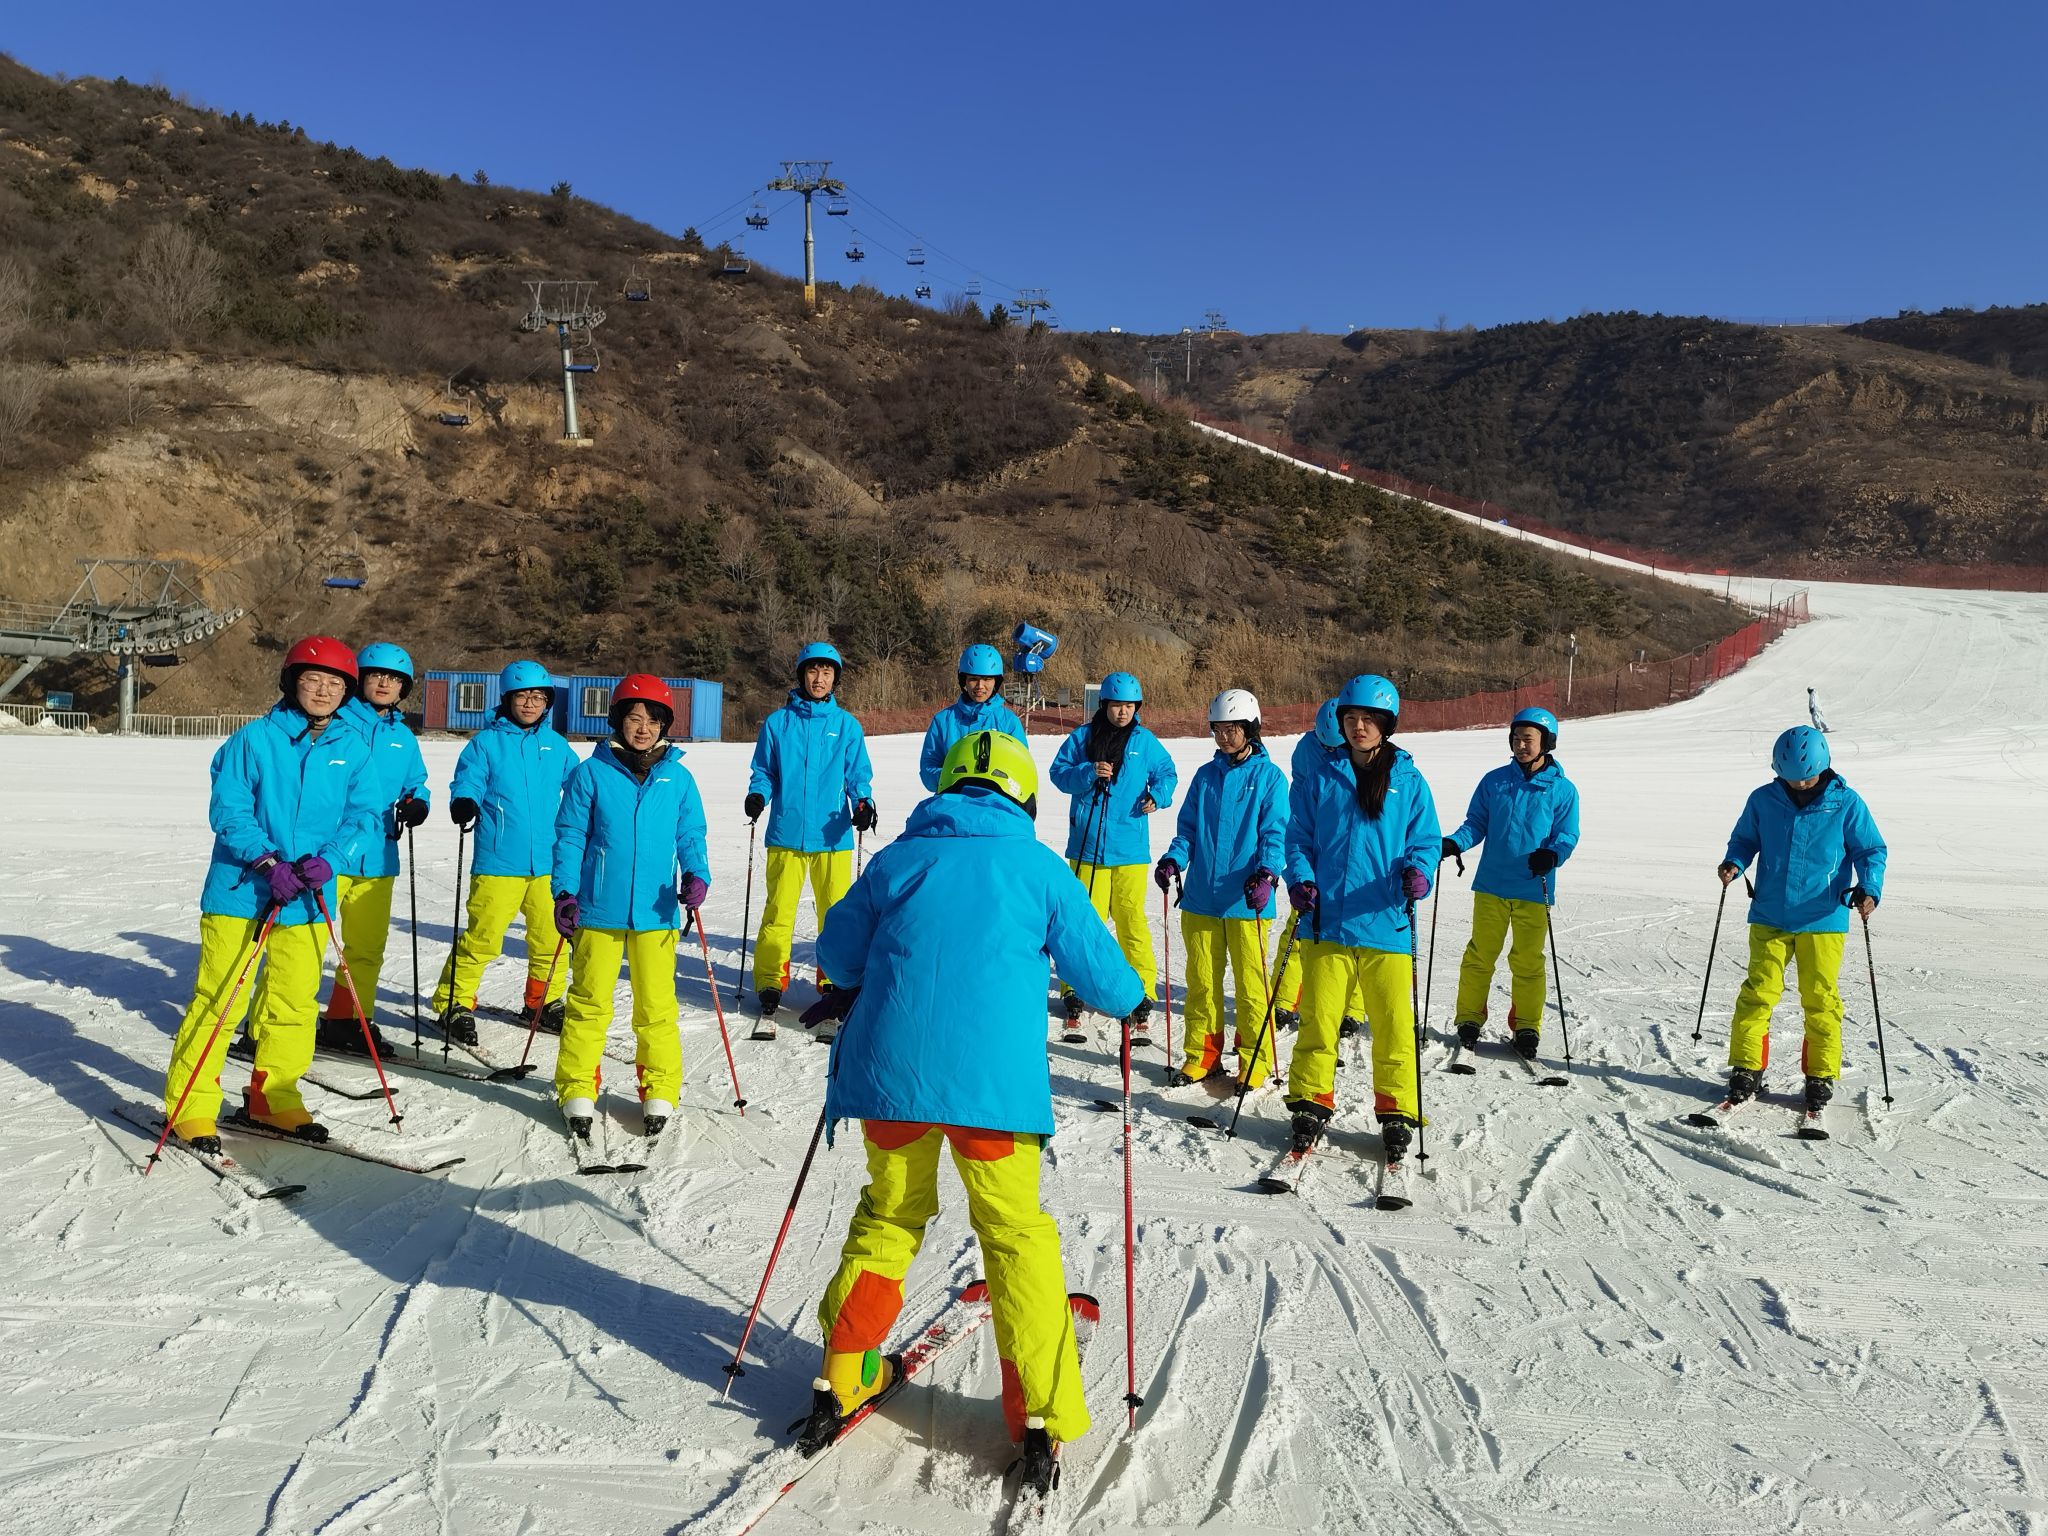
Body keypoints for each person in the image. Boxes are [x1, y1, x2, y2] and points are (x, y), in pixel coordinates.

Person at [796, 729, 1143, 1488]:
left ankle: (842, 1373)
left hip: (891, 1085)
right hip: (993, 1098)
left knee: (889, 1216)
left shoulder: (897, 860)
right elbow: (1109, 983)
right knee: (1015, 1237)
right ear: (1023, 795)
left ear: (948, 786)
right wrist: (1134, 1001)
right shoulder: (1038, 867)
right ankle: (1039, 1413)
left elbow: (839, 956)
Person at [161, 637, 382, 1150]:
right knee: (220, 1001)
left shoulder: (353, 748)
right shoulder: (253, 740)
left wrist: (333, 859)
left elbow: (366, 816)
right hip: (241, 893)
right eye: (313, 679)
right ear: (291, 682)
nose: (323, 690)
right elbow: (229, 811)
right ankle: (191, 1105)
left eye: (335, 683)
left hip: (308, 897)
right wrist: (266, 861)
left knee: (294, 1003)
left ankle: (274, 1096)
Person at [1281, 674, 1442, 1159]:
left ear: (1386, 724)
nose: (1359, 727)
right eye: (1351, 718)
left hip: (1385, 921)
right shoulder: (1321, 777)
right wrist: (1301, 879)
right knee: (1319, 1021)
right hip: (1327, 922)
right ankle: (1310, 1101)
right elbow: (1298, 838)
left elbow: (1425, 840)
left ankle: (1397, 1110)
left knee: (1393, 1025)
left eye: (1369, 719)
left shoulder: (1408, 781)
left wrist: (1419, 871)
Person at [550, 675, 709, 1138]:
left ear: (665, 726)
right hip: (598, 909)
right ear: (618, 720)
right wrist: (565, 892)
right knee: (588, 1004)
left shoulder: (678, 779)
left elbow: (690, 835)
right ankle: (577, 1088)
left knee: (657, 1007)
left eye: (653, 720)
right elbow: (570, 836)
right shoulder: (590, 774)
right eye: (635, 718)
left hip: (656, 912)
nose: (643, 728)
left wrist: (697, 874)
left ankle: (660, 1088)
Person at [1714, 725, 1886, 1111]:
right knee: (1757, 993)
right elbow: (1744, 840)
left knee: (1821, 998)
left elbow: (1870, 850)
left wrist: (1869, 888)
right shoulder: (1763, 799)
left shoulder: (1846, 803)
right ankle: (1747, 1067)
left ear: (1823, 766)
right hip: (1769, 914)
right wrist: (1734, 862)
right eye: (1792, 778)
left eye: (1806, 777)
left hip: (1823, 918)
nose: (1800, 785)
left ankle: (1820, 1075)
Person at [435, 661, 577, 1043]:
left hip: (549, 862)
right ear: (507, 699)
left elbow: (579, 788)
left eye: (538, 697)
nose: (530, 703)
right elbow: (468, 779)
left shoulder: (557, 746)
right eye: (522, 696)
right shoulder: (486, 743)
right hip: (498, 860)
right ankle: (454, 1002)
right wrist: (465, 800)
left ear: (547, 702)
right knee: (483, 938)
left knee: (550, 939)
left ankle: (543, 1002)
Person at [1154, 689, 1288, 1091]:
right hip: (1201, 898)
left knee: (1250, 987)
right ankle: (1202, 1056)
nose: (1224, 737)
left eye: (1233, 729)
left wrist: (1267, 874)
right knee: (1201, 983)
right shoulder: (1205, 777)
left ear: (1251, 729)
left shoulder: (1269, 778)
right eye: (1218, 729)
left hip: (1246, 899)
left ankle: (1254, 1061)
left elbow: (1275, 834)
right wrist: (1174, 859)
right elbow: (1188, 831)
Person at [746, 642, 876, 1021]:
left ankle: (834, 981)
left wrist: (864, 804)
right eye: (813, 671)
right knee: (779, 911)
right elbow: (764, 771)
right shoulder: (777, 724)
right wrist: (758, 795)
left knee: (836, 915)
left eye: (827, 672)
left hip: (832, 836)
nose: (819, 679)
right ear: (801, 675)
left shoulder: (846, 726)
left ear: (835, 679)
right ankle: (770, 981)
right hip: (786, 833)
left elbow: (858, 776)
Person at [1443, 706, 1581, 1059]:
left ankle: (1526, 1026)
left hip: (1533, 888)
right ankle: (1469, 1020)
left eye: (1528, 739)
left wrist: (1553, 855)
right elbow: (1476, 823)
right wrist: (1456, 843)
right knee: (1480, 955)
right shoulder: (1495, 782)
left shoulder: (1562, 790)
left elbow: (1567, 835)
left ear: (1546, 742)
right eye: (1516, 738)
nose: (1521, 745)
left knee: (1528, 961)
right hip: (1491, 885)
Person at [316, 641, 431, 1056]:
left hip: (379, 857)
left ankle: (346, 1020)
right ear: (360, 679)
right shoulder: (333, 722)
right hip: (327, 856)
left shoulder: (403, 737)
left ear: (404, 688)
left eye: (394, 679)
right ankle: (265, 1026)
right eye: (377, 675)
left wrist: (418, 801)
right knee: (303, 946)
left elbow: (416, 781)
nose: (384, 683)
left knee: (365, 950)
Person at [1047, 672, 1177, 1029]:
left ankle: (1143, 989)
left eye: (1130, 706)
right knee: (1081, 922)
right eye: (1117, 705)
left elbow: (1167, 774)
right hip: (1087, 849)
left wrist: (1158, 796)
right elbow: (1058, 774)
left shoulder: (1144, 741)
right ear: (1104, 705)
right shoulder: (1082, 737)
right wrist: (1087, 772)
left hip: (1130, 850)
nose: (1123, 712)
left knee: (1132, 921)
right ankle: (1073, 989)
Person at [1273, 697, 1368, 1040]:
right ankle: (1284, 999)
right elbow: (1300, 806)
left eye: (1336, 747)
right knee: (1299, 930)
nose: (1330, 753)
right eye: (1325, 746)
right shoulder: (1306, 750)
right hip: (1316, 852)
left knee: (1356, 938)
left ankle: (1352, 1008)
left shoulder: (1366, 756)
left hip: (1354, 859)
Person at [918, 644, 1025, 791]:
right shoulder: (943, 721)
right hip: (953, 800)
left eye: (987, 679)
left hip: (995, 802)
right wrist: (955, 778)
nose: (980, 686)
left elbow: (1021, 768)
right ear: (964, 681)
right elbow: (928, 769)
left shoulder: (1009, 722)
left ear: (996, 682)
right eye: (973, 679)